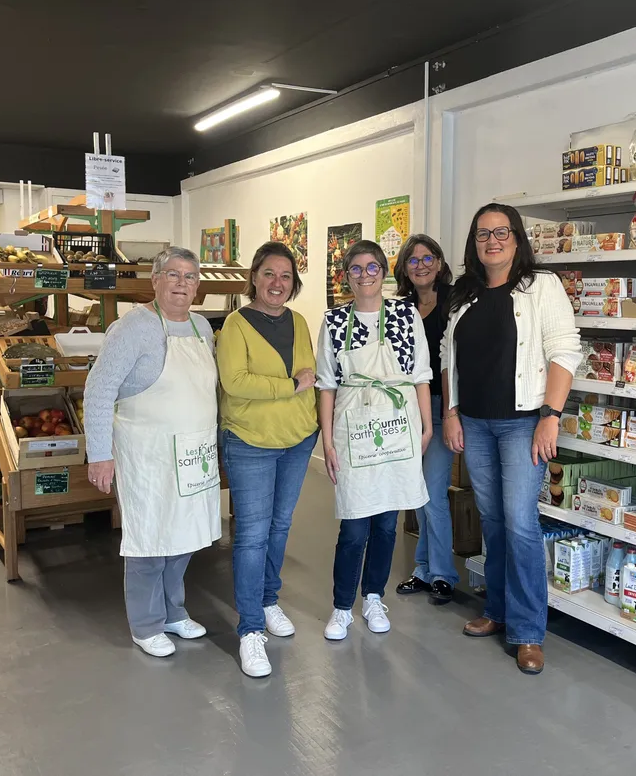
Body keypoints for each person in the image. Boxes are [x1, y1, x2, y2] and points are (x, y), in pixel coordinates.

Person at [441, 203, 580, 674]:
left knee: (520, 523)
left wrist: (551, 415)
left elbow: (564, 350)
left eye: (501, 232)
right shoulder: (464, 293)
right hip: (475, 423)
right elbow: (447, 360)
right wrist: (451, 411)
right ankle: (497, 611)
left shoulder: (542, 287)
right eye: (483, 234)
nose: (492, 241)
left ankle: (527, 631)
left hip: (523, 422)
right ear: (473, 243)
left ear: (517, 239)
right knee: (493, 521)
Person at [84, 247, 222, 658]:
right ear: (155, 280)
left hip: (192, 452)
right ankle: (145, 625)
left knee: (185, 535)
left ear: (198, 285)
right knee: (149, 538)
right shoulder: (133, 328)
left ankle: (173, 612)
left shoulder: (201, 327)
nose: (182, 284)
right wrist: (99, 454)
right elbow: (99, 389)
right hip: (146, 454)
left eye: (190, 277)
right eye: (174, 275)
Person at [316, 240, 433, 641]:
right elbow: (327, 385)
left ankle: (373, 597)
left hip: (398, 424)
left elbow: (421, 373)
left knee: (386, 523)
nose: (365, 275)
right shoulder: (333, 321)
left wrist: (428, 426)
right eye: (356, 269)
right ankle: (342, 606)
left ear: (384, 272)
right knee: (353, 525)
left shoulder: (404, 313)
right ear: (346, 276)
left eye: (372, 267)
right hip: (353, 429)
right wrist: (328, 441)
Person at [217, 242, 319, 678]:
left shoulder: (298, 321)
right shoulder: (234, 326)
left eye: (285, 276)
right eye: (269, 274)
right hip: (250, 441)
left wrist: (296, 390)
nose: (277, 283)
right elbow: (236, 383)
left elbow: (310, 373)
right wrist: (289, 386)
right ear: (254, 278)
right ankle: (250, 631)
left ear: (293, 283)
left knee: (280, 526)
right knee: (253, 535)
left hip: (297, 438)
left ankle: (268, 599)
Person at [391, 235, 458, 604]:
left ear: (439, 261)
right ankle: (423, 569)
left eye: (427, 257)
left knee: (432, 494)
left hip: (440, 406)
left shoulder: (455, 301)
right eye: (412, 260)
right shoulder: (401, 309)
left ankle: (444, 573)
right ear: (404, 268)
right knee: (418, 492)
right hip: (407, 409)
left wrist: (452, 412)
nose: (420, 265)